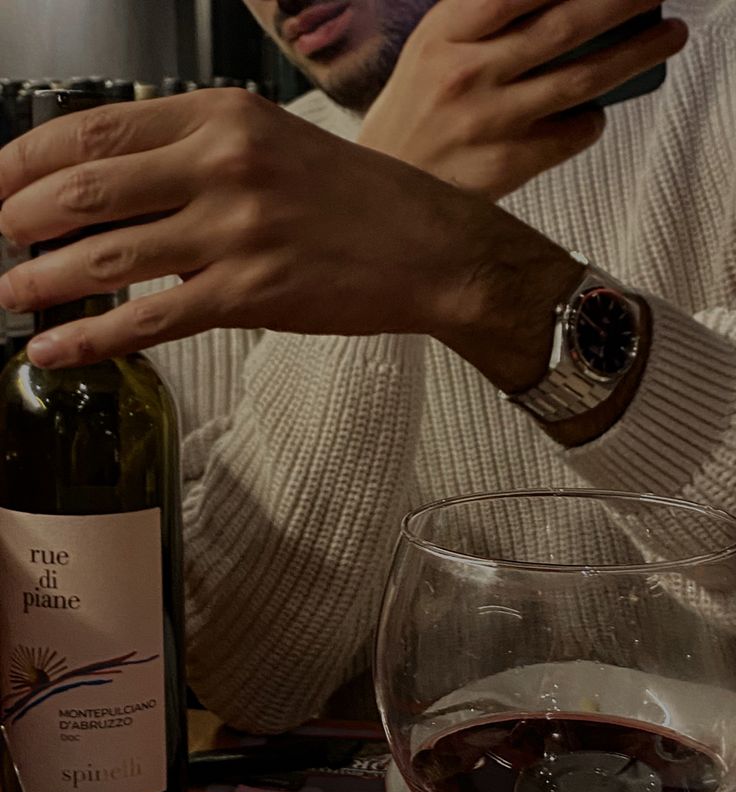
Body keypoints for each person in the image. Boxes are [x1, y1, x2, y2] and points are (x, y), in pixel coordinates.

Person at [0, 0, 732, 731]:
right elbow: (252, 676)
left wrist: (487, 279)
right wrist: (379, 187)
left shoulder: (717, 66)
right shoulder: (230, 183)